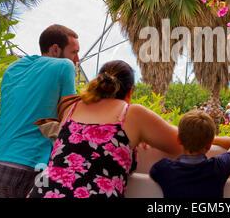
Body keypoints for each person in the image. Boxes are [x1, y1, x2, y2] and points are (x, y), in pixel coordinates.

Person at [28, 60, 182, 198]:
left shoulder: (72, 109)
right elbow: (183, 142)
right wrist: (144, 134)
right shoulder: (132, 113)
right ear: (130, 92)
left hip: (43, 192)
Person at [0, 24, 80, 198]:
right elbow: (71, 118)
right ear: (55, 49)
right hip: (28, 167)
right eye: (73, 52)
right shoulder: (64, 66)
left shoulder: (13, 69)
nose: (77, 59)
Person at [150, 110, 230, 198]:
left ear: (179, 140)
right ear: (208, 145)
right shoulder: (219, 166)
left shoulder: (164, 168)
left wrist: (188, 138)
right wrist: (207, 140)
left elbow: (153, 171)